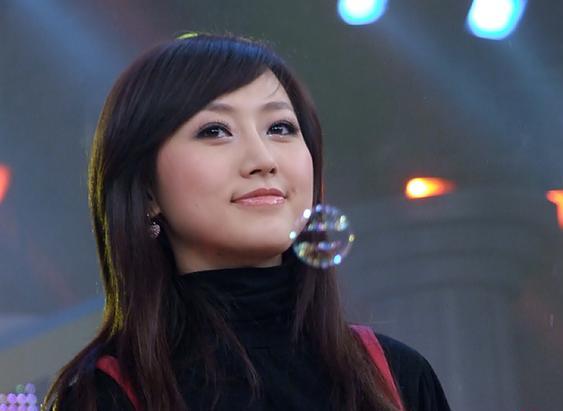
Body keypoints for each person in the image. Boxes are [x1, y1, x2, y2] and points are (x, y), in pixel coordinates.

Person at [43, 33, 450, 411]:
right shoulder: (105, 395)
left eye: (280, 128)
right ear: (147, 190)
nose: (263, 160)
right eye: (215, 131)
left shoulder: (396, 376)